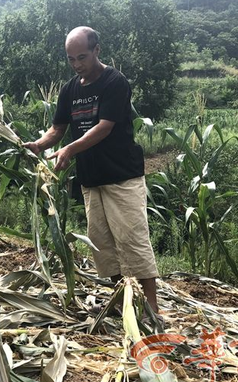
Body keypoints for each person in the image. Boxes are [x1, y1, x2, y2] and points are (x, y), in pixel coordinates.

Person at [23, 26, 160, 314]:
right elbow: (58, 129)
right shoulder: (70, 89)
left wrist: (71, 149)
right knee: (103, 244)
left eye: (81, 57)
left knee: (133, 240)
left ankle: (151, 308)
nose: (76, 64)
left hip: (121, 175)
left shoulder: (114, 82)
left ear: (97, 50)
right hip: (91, 177)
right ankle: (122, 301)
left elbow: (104, 127)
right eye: (71, 59)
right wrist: (39, 144)